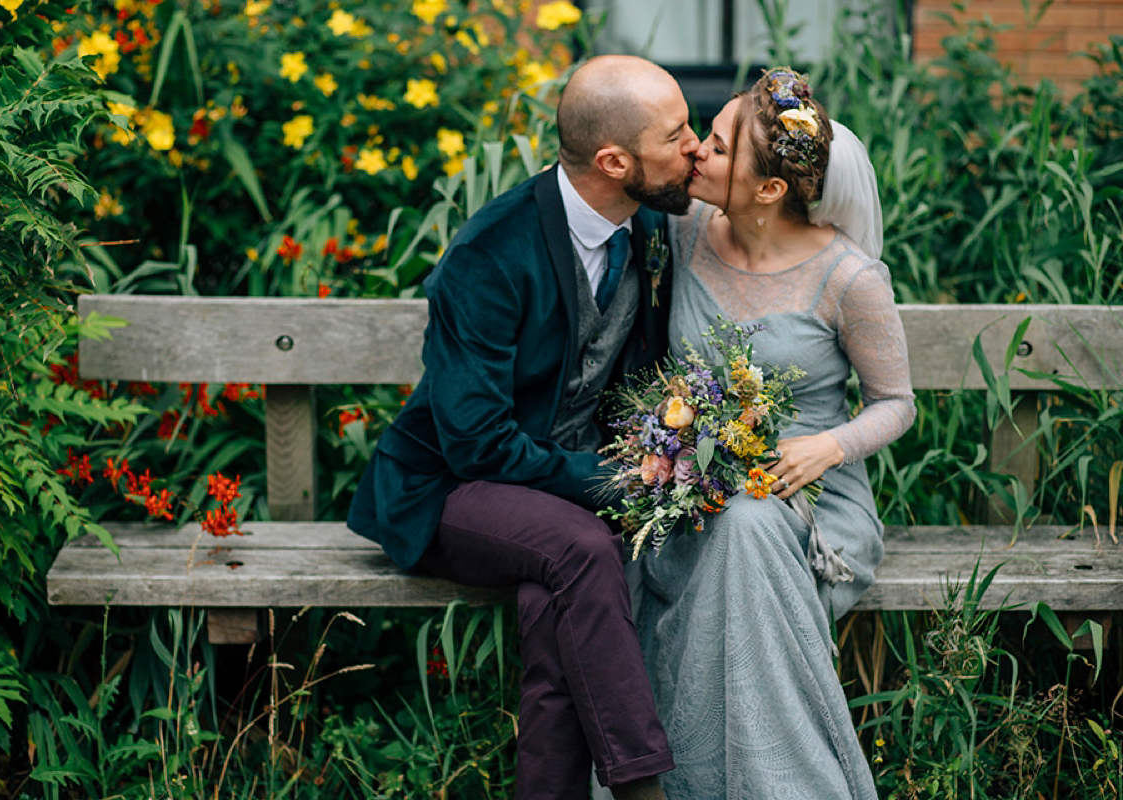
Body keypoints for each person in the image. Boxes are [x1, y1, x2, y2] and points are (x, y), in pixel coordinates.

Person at [347, 55, 701, 800]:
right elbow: (475, 443)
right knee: (581, 548)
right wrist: (612, 480)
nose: (695, 146)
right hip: (450, 486)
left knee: (555, 600)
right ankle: (645, 790)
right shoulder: (489, 253)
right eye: (677, 135)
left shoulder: (641, 229)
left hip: (547, 497)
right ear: (614, 161)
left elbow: (625, 376)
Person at [630, 67, 916, 798]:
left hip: (810, 497)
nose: (696, 153)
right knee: (731, 527)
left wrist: (828, 446)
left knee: (748, 530)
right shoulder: (686, 229)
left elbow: (896, 404)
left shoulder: (849, 278)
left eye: (718, 148)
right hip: (698, 482)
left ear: (768, 190)